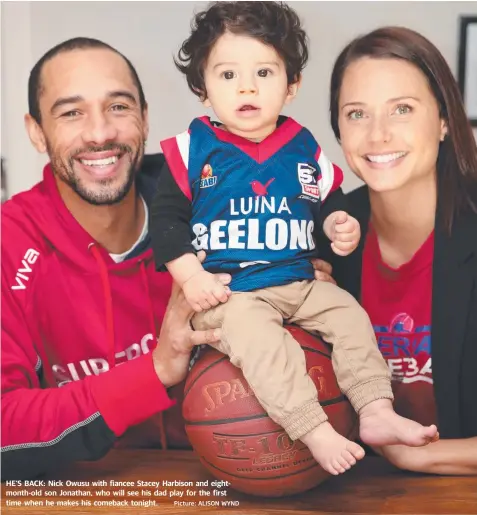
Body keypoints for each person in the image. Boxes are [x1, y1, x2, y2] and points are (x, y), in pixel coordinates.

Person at [151, 1, 438, 476]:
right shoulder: (191, 148)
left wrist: (337, 228)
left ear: (292, 85)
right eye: (227, 75)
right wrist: (190, 274)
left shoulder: (303, 146)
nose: (246, 86)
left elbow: (330, 203)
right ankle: (312, 426)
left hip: (301, 281)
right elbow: (165, 221)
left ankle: (374, 409)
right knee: (259, 339)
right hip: (232, 290)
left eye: (264, 72)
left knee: (349, 315)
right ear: (202, 89)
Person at [0, 37, 231, 481]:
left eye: (119, 107)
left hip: (234, 485)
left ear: (145, 118)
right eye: (71, 113)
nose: (100, 133)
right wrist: (156, 369)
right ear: (36, 131)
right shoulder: (9, 241)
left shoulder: (215, 206)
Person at [313, 26, 477, 475]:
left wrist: (419, 456)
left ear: (444, 120)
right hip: (356, 492)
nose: (378, 134)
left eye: (402, 109)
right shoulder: (318, 236)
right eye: (357, 114)